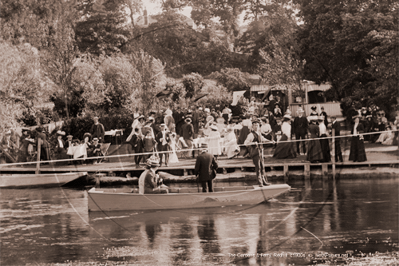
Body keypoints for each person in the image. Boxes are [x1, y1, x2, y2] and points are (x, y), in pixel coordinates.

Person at [244, 120, 271, 187]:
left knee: (262, 167)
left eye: (257, 125)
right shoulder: (250, 134)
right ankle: (260, 182)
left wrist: (270, 141)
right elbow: (245, 143)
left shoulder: (259, 133)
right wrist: (253, 143)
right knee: (258, 167)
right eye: (254, 125)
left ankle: (264, 181)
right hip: (255, 153)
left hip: (261, 152)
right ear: (252, 127)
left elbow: (263, 139)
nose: (256, 127)